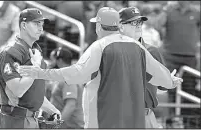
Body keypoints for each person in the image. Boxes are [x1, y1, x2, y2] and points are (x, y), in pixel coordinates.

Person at [18, 7, 181, 128]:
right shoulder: (138, 48)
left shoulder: (100, 47)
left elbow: (76, 74)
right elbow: (164, 79)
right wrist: (171, 81)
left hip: (103, 120)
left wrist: (40, 73)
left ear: (99, 27)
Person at [0, 8, 61, 129]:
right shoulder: (11, 52)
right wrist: (35, 67)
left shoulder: (36, 54)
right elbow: (18, 90)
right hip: (13, 120)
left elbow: (33, 94)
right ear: (24, 25)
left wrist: (53, 110)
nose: (41, 28)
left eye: (42, 24)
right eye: (36, 23)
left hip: (30, 121)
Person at [118, 7, 170, 128]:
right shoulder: (108, 52)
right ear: (120, 26)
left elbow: (163, 87)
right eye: (133, 22)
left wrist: (167, 79)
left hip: (145, 115)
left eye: (140, 22)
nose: (138, 25)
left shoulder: (153, 51)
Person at [49, 47, 85, 128]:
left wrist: (56, 125)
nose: (50, 63)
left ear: (59, 61)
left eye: (52, 60)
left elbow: (70, 105)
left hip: (71, 127)